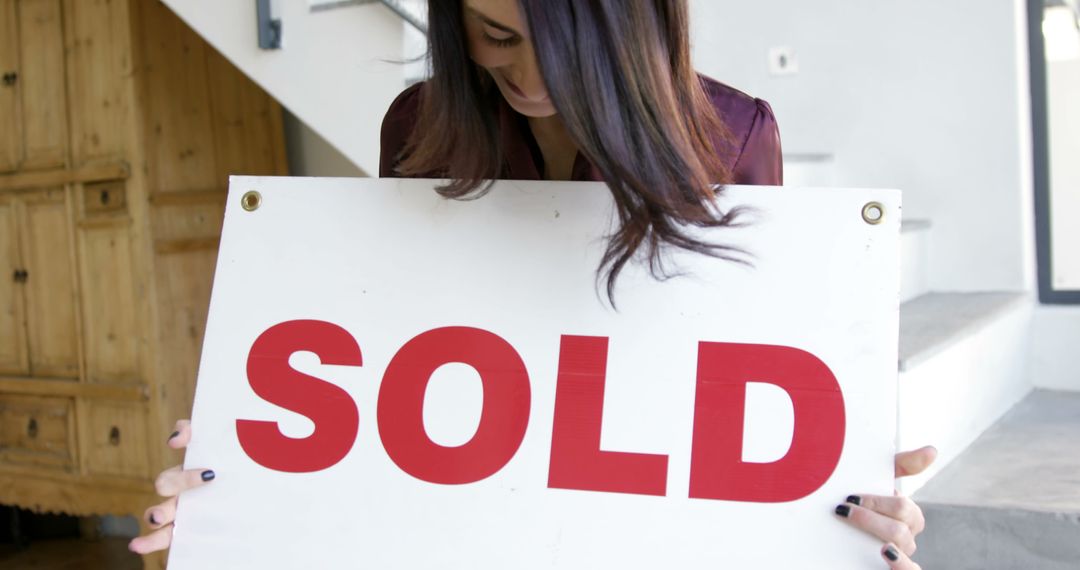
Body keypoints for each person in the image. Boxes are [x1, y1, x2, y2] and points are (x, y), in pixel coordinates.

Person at [130, 1, 938, 567]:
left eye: (559, 42)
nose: (526, 72)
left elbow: (745, 356)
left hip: (634, 514)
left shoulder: (730, 137)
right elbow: (395, 336)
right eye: (494, 35)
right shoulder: (417, 127)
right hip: (471, 508)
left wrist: (830, 501)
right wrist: (248, 494)